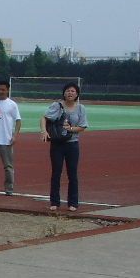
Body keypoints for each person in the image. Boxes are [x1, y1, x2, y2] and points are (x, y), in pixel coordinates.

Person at [41, 81, 88, 212]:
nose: (70, 93)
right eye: (68, 91)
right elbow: (44, 118)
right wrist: (44, 131)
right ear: (64, 93)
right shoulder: (56, 105)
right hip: (57, 143)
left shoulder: (81, 108)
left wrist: (70, 129)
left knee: (72, 173)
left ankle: (73, 202)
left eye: (73, 91)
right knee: (56, 172)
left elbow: (83, 126)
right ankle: (54, 202)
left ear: (77, 94)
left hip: (72, 144)